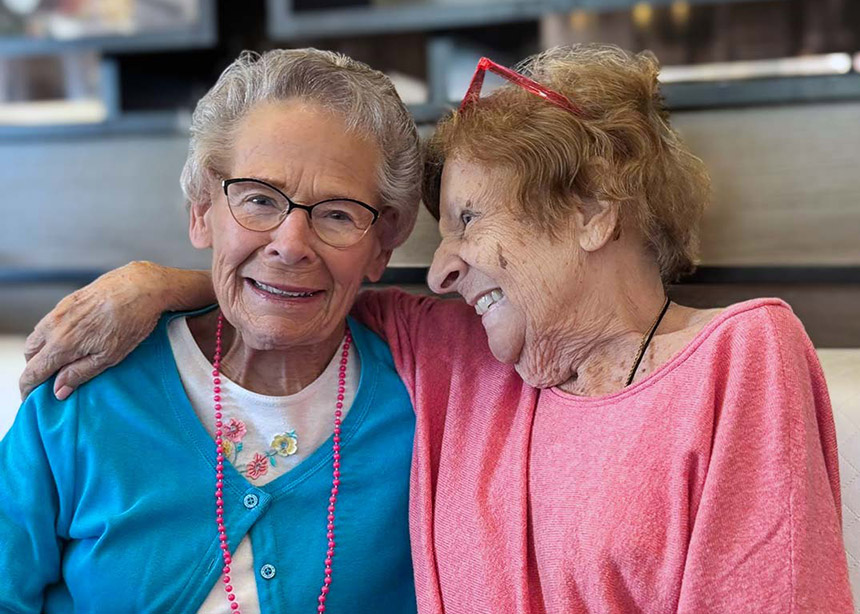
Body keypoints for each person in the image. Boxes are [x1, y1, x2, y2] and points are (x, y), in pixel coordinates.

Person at [18, 45, 853, 613]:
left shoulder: (731, 359)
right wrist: (155, 286)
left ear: (594, 210)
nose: (442, 268)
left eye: (468, 221)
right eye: (256, 199)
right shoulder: (455, 355)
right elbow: (297, 287)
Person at [0, 48, 422, 613]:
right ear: (202, 212)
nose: (291, 245)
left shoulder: (425, 411)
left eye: (337, 214)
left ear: (382, 245)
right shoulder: (88, 389)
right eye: (259, 200)